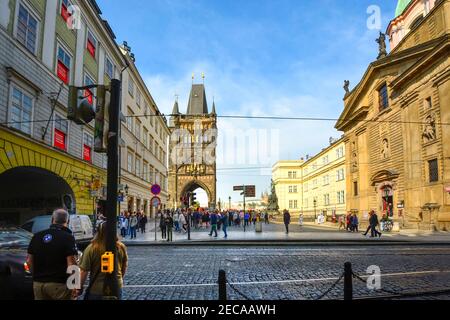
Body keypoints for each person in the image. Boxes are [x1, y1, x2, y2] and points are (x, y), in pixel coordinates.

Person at [26, 209, 78, 300]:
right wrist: (74, 285)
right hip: (59, 285)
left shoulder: (37, 236)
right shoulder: (68, 237)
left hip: (38, 285)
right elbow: (72, 263)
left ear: (52, 219)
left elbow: (29, 261)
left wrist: (37, 277)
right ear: (67, 221)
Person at [77, 222, 128, 300]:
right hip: (116, 286)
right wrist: (119, 280)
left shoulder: (91, 248)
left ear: (98, 232)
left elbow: (84, 271)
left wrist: (79, 287)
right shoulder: (121, 247)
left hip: (96, 288)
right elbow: (124, 267)